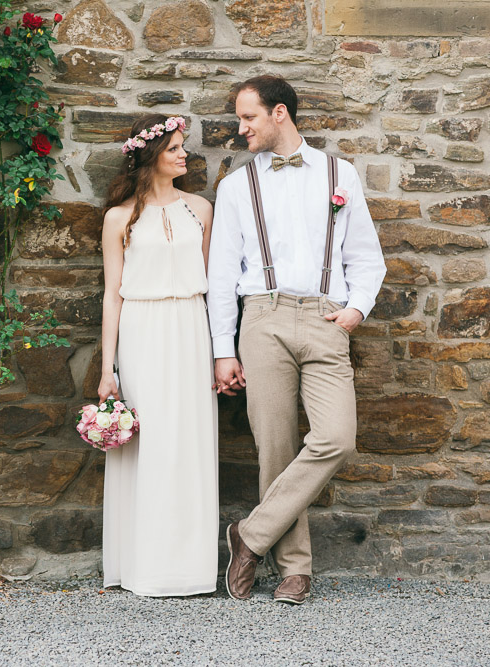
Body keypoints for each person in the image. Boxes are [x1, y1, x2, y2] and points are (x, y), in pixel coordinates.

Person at [208, 76, 385, 605]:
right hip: (262, 317)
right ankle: (295, 569)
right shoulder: (237, 186)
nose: (241, 130)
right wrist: (223, 349)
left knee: (337, 436)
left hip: (327, 319)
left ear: (279, 113)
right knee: (275, 448)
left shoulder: (339, 174)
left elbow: (366, 255)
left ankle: (250, 535)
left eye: (249, 118)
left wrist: (356, 309)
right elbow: (221, 274)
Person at [97, 114, 218, 597]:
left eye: (182, 147)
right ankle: (143, 566)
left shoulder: (201, 211)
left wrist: (220, 350)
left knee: (189, 443)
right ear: (149, 156)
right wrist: (108, 368)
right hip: (142, 332)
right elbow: (112, 295)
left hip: (191, 328)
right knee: (149, 447)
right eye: (173, 148)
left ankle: (190, 568)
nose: (183, 154)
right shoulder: (118, 218)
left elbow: (217, 288)